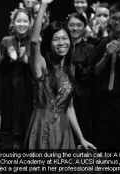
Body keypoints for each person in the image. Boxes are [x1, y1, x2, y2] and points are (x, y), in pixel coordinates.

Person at [25, 0, 95, 150]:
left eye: (64, 38)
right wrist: (43, 5)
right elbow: (34, 41)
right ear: (49, 43)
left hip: (63, 130)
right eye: (56, 39)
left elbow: (69, 108)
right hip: (42, 127)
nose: (61, 43)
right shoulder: (41, 65)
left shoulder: (71, 68)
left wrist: (81, 138)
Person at [0, 8, 33, 149]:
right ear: (13, 22)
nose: (22, 24)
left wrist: (25, 59)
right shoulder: (6, 42)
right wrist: (10, 59)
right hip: (10, 92)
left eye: (25, 21)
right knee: (9, 131)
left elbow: (40, 70)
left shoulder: (34, 42)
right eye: (19, 21)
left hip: (29, 92)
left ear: (30, 23)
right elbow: (0, 69)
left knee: (28, 129)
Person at [94, 1, 120, 149]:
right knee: (104, 140)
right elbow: (96, 71)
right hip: (104, 99)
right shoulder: (104, 42)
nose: (116, 22)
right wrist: (106, 55)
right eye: (113, 18)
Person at [67, 12, 97, 143]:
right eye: (71, 25)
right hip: (63, 95)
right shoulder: (62, 46)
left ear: (85, 27)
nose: (75, 28)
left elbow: (88, 75)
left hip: (83, 97)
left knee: (83, 130)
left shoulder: (90, 49)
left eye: (79, 25)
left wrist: (74, 65)